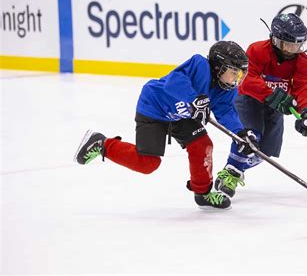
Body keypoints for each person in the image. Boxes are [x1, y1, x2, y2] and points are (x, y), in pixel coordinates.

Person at [73, 41, 258, 210]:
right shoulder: (200, 64)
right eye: (234, 73)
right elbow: (174, 81)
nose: (237, 79)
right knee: (148, 164)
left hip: (181, 116)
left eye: (240, 74)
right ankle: (101, 144)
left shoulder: (225, 90)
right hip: (154, 107)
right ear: (219, 67)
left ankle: (203, 193)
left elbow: (226, 112)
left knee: (202, 145)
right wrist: (193, 100)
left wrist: (240, 134)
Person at [215, 13, 307, 198]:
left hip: (276, 106)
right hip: (249, 99)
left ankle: (234, 167)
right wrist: (273, 95)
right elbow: (247, 81)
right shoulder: (257, 50)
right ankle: (230, 176)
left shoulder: (304, 62)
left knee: (265, 152)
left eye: (298, 45)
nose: (293, 49)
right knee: (250, 137)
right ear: (275, 38)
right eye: (289, 44)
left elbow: (303, 89)